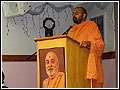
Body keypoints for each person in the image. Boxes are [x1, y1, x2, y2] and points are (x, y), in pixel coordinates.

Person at [68, 7, 104, 88]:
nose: (74, 15)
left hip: (87, 66)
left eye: (76, 13)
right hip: (75, 68)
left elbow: (99, 44)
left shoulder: (91, 26)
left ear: (84, 15)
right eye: (73, 13)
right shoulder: (71, 31)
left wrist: (89, 43)